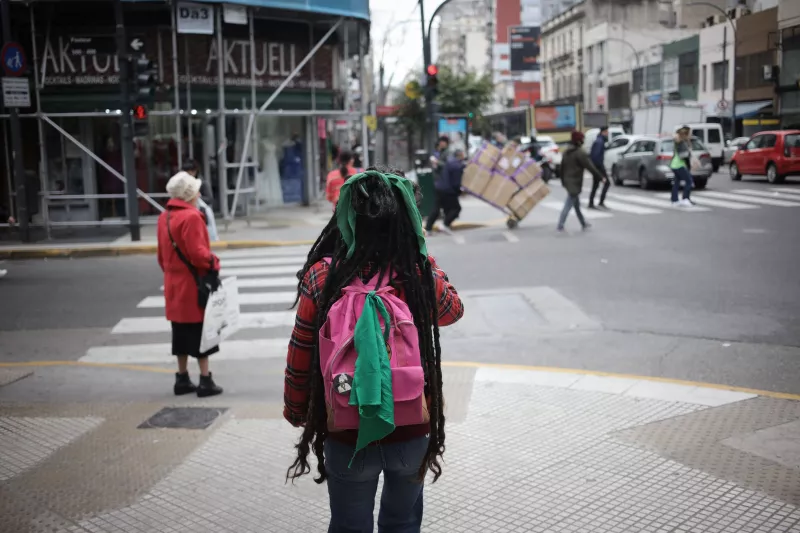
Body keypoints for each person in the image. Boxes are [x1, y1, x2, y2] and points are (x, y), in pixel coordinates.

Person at [284, 168, 464, 532]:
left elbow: (301, 349)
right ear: (407, 220)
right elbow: (452, 311)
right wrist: (421, 252)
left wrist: (297, 409)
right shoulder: (413, 274)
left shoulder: (323, 276)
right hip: (412, 428)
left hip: (345, 430)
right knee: (401, 523)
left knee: (350, 524)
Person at [157, 171, 223, 397]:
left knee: (180, 333)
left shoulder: (164, 217)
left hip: (174, 286)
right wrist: (214, 261)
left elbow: (160, 257)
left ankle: (182, 378)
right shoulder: (192, 217)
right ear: (190, 195)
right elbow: (198, 254)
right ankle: (205, 380)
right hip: (193, 286)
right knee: (200, 333)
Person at [558, 130, 605, 232]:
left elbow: (561, 168)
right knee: (568, 204)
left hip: (568, 181)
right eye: (582, 139)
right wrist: (601, 177)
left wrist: (562, 180)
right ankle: (560, 225)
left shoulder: (566, 152)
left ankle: (583, 223)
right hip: (574, 182)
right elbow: (590, 167)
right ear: (579, 140)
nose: (583, 141)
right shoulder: (580, 153)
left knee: (576, 205)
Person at [426, 149, 465, 234]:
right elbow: (456, 182)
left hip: (439, 187)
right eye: (463, 154)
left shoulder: (450, 162)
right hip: (448, 190)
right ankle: (445, 225)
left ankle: (428, 229)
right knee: (456, 208)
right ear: (460, 155)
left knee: (437, 209)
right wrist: (459, 191)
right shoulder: (457, 166)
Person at [181, 159, 219, 241]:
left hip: (201, 214)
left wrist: (196, 196)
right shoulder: (182, 184)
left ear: (194, 171)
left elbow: (209, 199)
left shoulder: (202, 183)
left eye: (189, 172)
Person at [670, 126, 695, 207]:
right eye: (690, 133)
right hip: (679, 165)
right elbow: (683, 155)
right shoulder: (682, 142)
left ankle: (674, 200)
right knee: (689, 181)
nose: (691, 135)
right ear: (686, 134)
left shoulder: (681, 141)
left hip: (674, 164)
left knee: (676, 183)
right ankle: (685, 199)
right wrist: (689, 153)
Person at [588, 126, 610, 210]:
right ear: (603, 132)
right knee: (607, 183)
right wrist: (600, 168)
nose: (607, 134)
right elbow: (596, 156)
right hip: (598, 167)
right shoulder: (599, 142)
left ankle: (591, 202)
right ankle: (600, 202)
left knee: (595, 185)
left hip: (596, 167)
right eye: (607, 132)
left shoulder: (599, 141)